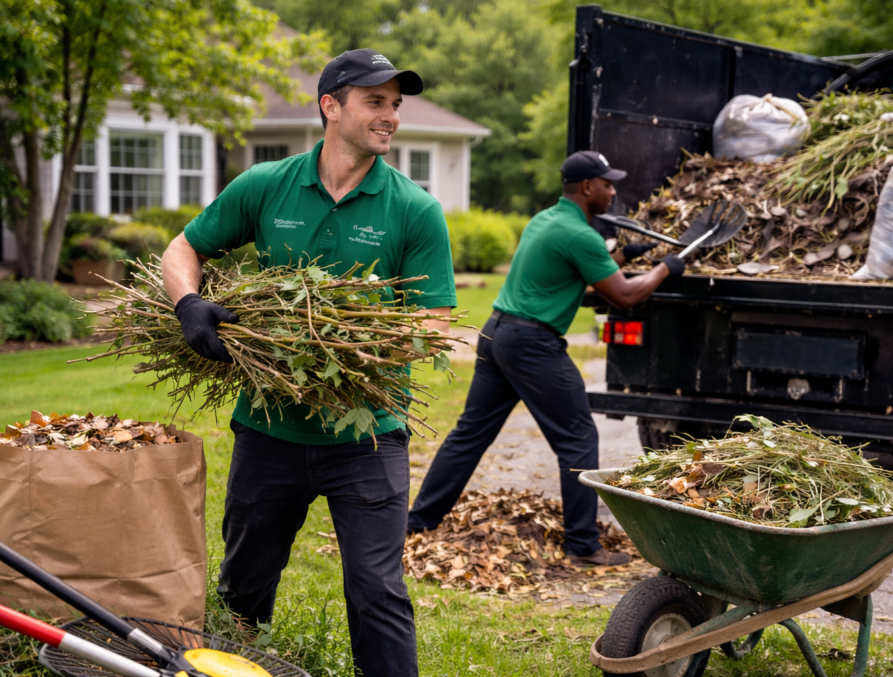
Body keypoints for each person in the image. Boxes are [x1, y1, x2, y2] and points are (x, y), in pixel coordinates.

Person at [161, 49, 456, 677]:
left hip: (369, 435)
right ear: (331, 106)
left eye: (395, 105)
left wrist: (353, 354)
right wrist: (189, 302)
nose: (391, 117)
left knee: (378, 592)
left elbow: (432, 325)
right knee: (243, 588)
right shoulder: (267, 186)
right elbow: (184, 246)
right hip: (269, 430)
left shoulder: (415, 209)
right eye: (376, 101)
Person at [407, 150, 684, 566]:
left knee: (470, 434)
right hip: (531, 344)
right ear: (587, 187)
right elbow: (623, 295)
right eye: (607, 183)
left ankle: (416, 522)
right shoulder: (581, 235)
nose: (613, 191)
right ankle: (582, 546)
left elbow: (579, 283)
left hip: (497, 333)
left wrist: (625, 256)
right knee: (578, 438)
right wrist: (668, 267)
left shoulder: (546, 220)